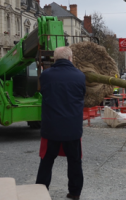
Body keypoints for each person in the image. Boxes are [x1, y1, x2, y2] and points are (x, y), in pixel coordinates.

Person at [36, 47, 85, 200]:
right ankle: (75, 192)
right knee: (75, 161)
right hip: (72, 128)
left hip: (51, 127)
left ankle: (40, 192)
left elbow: (42, 92)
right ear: (70, 58)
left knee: (46, 161)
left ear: (54, 59)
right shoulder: (80, 76)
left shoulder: (46, 75)